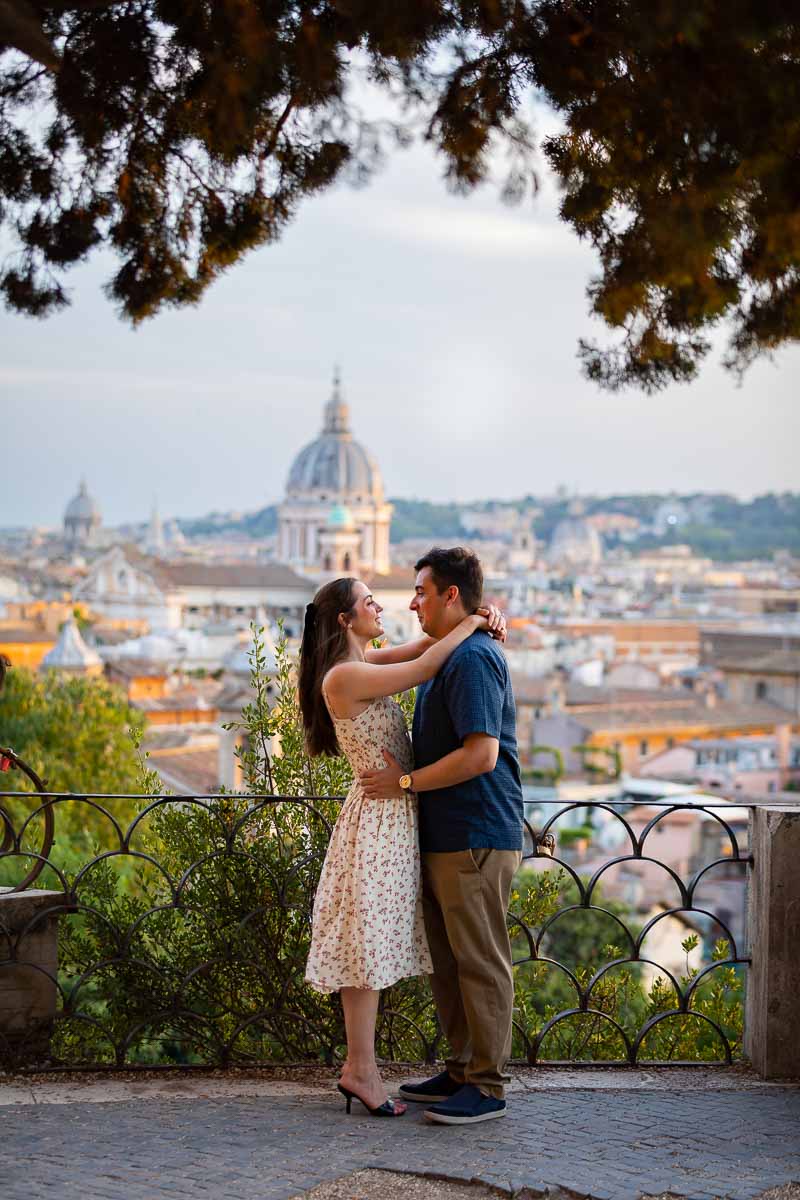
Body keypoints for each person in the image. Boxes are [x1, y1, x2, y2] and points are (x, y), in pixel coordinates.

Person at [299, 576, 505, 1118]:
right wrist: (477, 621)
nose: (382, 606)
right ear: (346, 619)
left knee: (377, 942)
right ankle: (360, 1069)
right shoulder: (345, 675)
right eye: (370, 602)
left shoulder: (363, 659)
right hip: (380, 817)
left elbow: (423, 649)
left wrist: (482, 617)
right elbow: (425, 667)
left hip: (394, 816)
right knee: (366, 946)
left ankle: (365, 1067)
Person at [360, 547, 523, 1125]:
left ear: (452, 595)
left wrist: (402, 782)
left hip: (475, 830)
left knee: (479, 960)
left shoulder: (474, 659)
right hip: (448, 831)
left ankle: (487, 1085)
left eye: (422, 592)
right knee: (452, 961)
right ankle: (462, 1069)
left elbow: (481, 756)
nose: (411, 602)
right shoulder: (449, 652)